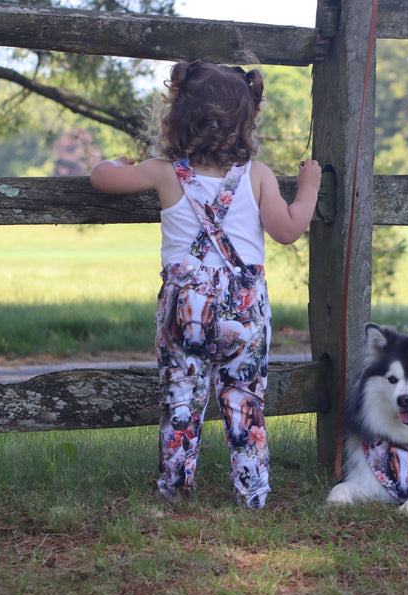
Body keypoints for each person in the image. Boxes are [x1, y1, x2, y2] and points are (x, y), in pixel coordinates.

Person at [90, 60, 321, 508]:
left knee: (181, 396)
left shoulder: (162, 171)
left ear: (179, 116)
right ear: (246, 120)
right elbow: (288, 229)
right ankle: (252, 495)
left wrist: (115, 162)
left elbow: (102, 179)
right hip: (244, 307)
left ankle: (175, 491)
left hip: (185, 305)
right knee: (244, 399)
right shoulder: (258, 175)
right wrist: (308, 185)